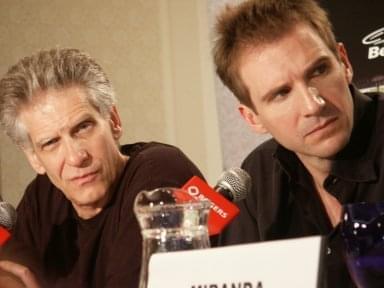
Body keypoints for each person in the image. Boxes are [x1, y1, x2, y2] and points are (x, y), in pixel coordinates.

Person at [213, 0, 384, 287]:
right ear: (253, 117)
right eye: (281, 93)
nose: (313, 104)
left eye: (318, 71)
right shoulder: (256, 176)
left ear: (344, 62)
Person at [0, 48, 203, 287]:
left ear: (114, 121)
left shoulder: (158, 173)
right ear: (34, 158)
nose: (76, 157)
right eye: (51, 143)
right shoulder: (42, 197)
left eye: (83, 127)